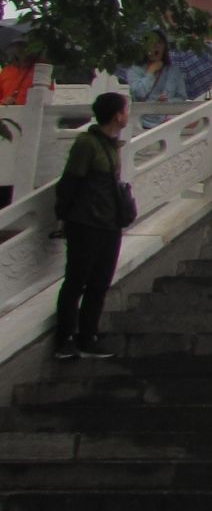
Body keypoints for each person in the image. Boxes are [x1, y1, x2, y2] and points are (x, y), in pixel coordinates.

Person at [51, 91, 130, 360]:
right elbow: (70, 182)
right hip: (86, 223)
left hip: (110, 224)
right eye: (125, 110)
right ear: (117, 115)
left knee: (100, 283)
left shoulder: (113, 145)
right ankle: (65, 338)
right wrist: (63, 215)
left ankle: (88, 336)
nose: (127, 115)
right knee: (76, 281)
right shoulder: (87, 144)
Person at [123, 30, 189, 125]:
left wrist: (167, 101)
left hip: (166, 122)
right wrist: (151, 71)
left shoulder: (174, 71)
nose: (155, 46)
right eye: (151, 43)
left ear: (164, 47)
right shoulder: (135, 69)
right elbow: (138, 93)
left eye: (159, 42)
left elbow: (181, 97)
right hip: (141, 123)